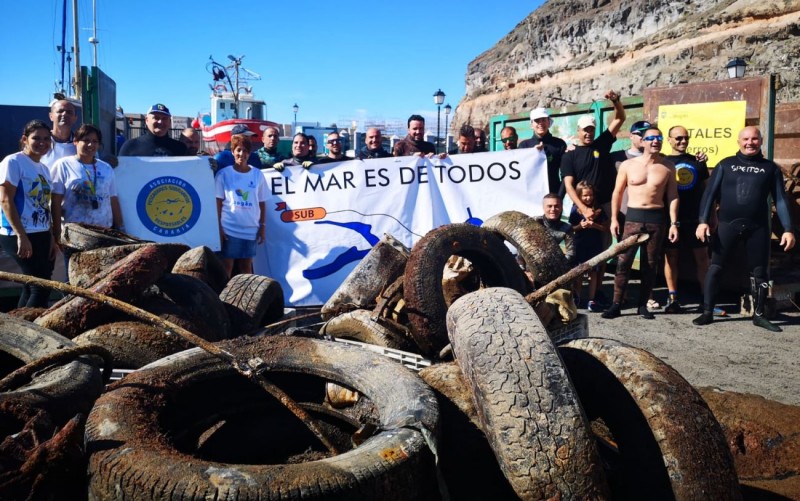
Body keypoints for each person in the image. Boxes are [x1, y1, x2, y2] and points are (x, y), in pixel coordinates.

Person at [693, 126, 795, 332]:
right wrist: (703, 220)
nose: (750, 142)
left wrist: (788, 228)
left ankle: (759, 315)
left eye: (755, 139)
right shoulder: (726, 164)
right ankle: (707, 311)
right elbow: (709, 194)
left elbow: (781, 200)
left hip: (757, 227)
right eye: (746, 139)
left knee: (760, 273)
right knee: (716, 267)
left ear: (761, 141)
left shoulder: (770, 168)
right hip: (727, 225)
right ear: (739, 141)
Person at [602, 127, 679, 320]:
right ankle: (616, 304)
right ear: (642, 141)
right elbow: (617, 193)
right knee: (623, 262)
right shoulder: (628, 165)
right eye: (651, 138)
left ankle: (642, 305)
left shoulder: (668, 166)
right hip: (632, 219)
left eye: (659, 138)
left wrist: (674, 223)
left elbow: (673, 196)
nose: (655, 141)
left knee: (650, 264)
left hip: (656, 219)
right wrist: (613, 219)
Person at [50, 124, 123, 272]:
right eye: (86, 140)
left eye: (95, 141)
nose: (91, 144)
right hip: (76, 235)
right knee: (74, 277)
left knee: (101, 274)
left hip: (103, 233)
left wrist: (120, 228)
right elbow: (55, 202)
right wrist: (57, 233)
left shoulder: (106, 168)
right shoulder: (63, 165)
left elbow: (113, 199)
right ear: (75, 141)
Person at [0, 120, 56, 307]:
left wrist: (51, 237)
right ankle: (32, 331)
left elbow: (44, 205)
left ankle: (19, 328)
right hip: (19, 232)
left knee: (31, 284)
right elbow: (5, 199)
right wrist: (21, 235)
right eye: (36, 138)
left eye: (47, 139)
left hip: (40, 232)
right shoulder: (14, 161)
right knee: (41, 287)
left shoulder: (44, 168)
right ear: (25, 139)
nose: (42, 143)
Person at [661, 125, 712, 313]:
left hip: (695, 219)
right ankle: (673, 298)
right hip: (671, 220)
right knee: (671, 257)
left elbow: (707, 192)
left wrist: (710, 216)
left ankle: (706, 299)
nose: (683, 141)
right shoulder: (663, 162)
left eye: (686, 138)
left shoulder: (698, 162)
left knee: (702, 259)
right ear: (669, 140)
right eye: (678, 138)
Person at [214, 134, 267, 278]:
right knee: (226, 267)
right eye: (238, 150)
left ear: (249, 153)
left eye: (245, 150)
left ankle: (246, 300)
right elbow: (218, 203)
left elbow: (262, 203)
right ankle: (222, 300)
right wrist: (219, 228)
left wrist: (262, 226)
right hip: (229, 229)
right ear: (232, 152)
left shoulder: (258, 175)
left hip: (250, 229)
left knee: (246, 268)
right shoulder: (223, 174)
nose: (241, 154)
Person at [569, 181, 608, 312]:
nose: (588, 198)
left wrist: (594, 225)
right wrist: (580, 226)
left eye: (590, 195)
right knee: (579, 273)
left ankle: (592, 299)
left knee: (593, 272)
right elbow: (571, 228)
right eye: (585, 196)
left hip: (594, 245)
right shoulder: (575, 210)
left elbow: (605, 228)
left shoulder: (598, 209)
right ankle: (577, 297)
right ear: (579, 196)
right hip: (580, 245)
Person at [519, 107, 568, 194]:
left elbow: (565, 174)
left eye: (543, 120)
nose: (541, 123)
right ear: (531, 125)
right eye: (537, 120)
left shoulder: (559, 144)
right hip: (531, 197)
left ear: (549, 122)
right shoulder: (524, 146)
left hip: (553, 196)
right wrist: (532, 153)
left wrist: (559, 197)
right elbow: (520, 174)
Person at [119, 104, 188, 156]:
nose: (160, 122)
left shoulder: (181, 148)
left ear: (169, 122)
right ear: (147, 120)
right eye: (156, 118)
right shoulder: (130, 146)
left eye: (164, 118)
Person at [534, 193, 575, 264]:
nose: (553, 209)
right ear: (543, 207)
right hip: (531, 264)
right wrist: (523, 269)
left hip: (553, 264)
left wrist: (560, 266)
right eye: (549, 206)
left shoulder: (567, 228)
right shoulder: (534, 222)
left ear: (561, 208)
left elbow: (571, 253)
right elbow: (520, 247)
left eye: (556, 206)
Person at [41, 99, 78, 169]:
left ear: (75, 118)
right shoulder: (39, 143)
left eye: (69, 112)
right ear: (51, 116)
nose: (64, 114)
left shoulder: (81, 144)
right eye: (60, 111)